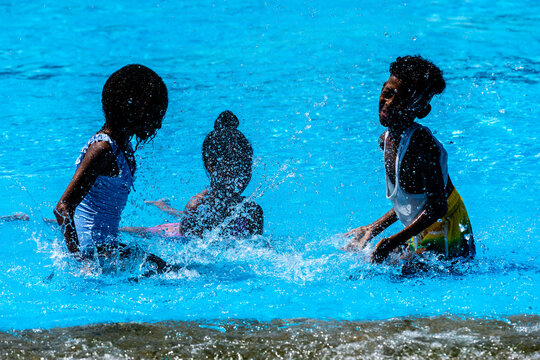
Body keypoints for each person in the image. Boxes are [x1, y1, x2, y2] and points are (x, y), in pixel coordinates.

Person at [344, 55, 475, 263]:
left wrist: (392, 241)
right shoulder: (385, 140)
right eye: (387, 93)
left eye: (403, 101)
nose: (389, 104)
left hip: (449, 231)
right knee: (363, 258)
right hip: (424, 228)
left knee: (393, 271)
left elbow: (437, 207)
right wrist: (373, 228)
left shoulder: (422, 145)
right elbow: (411, 203)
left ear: (422, 111)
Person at [54, 64, 169, 269]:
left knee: (162, 266)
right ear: (134, 109)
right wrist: (80, 261)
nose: (158, 124)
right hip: (92, 252)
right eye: (155, 113)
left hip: (106, 246)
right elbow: (63, 208)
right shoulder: (103, 148)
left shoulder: (121, 147)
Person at [121, 111, 263, 238]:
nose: (242, 176)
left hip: (192, 222)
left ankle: (162, 205)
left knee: (182, 215)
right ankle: (151, 212)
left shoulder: (253, 211)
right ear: (211, 165)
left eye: (246, 169)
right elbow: (187, 246)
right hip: (176, 235)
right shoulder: (197, 205)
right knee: (146, 231)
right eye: (235, 168)